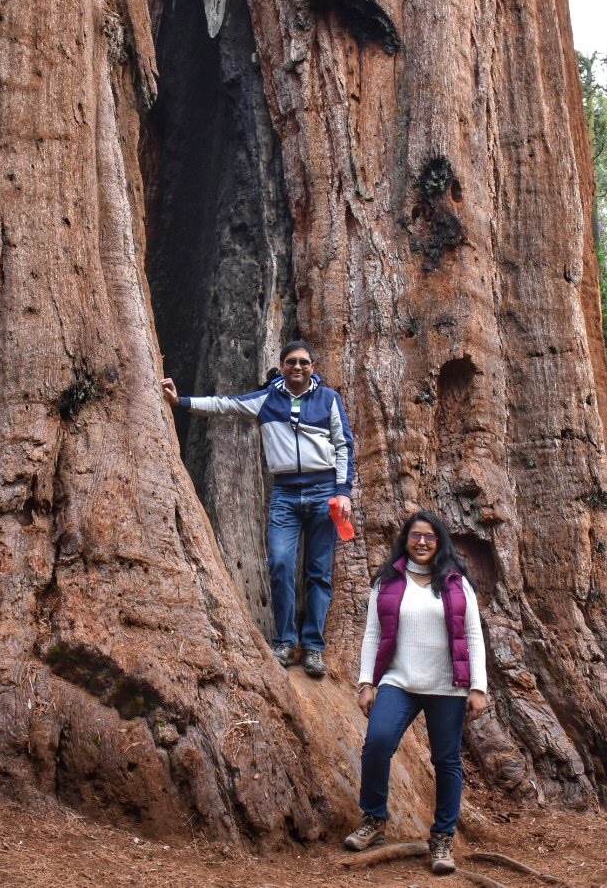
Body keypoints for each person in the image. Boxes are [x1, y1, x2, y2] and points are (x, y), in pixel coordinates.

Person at [160, 340, 354, 678]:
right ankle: (285, 640)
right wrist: (181, 401)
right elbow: (226, 405)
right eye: (291, 362)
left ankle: (313, 647)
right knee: (280, 563)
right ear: (281, 366)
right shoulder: (268, 399)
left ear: (313, 366)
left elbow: (343, 446)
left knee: (319, 572)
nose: (298, 367)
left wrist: (343, 491)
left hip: (324, 492)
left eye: (304, 362)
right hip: (286, 494)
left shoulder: (329, 400)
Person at [344, 511, 488, 875]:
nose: (422, 542)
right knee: (377, 743)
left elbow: (473, 637)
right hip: (398, 680)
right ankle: (374, 820)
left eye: (429, 537)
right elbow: (372, 635)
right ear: (405, 540)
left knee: (447, 761)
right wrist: (366, 683)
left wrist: (478, 687)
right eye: (415, 536)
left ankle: (441, 839)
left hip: (447, 687)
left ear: (440, 542)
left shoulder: (457, 583)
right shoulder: (388, 581)